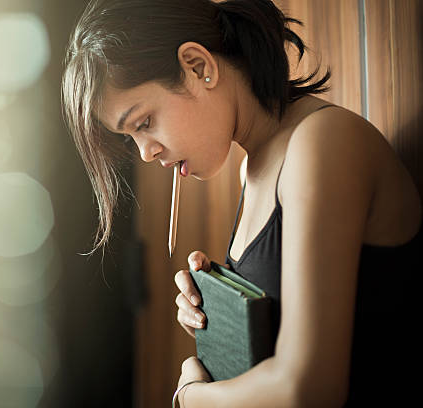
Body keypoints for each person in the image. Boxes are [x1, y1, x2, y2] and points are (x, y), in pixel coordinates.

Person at [61, 0, 422, 406]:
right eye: (131, 137)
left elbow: (308, 390)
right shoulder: (252, 169)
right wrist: (217, 315)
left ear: (198, 66)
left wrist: (192, 396)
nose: (145, 152)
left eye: (143, 123)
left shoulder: (322, 143)